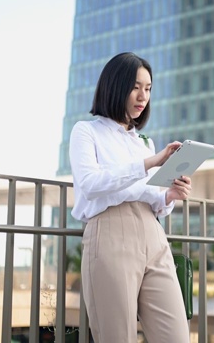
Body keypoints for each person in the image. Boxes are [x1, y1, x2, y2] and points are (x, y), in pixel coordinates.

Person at [69, 52, 192, 343]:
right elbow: (90, 183)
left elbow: (150, 197)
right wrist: (150, 163)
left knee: (176, 337)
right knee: (117, 336)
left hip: (153, 235)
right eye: (136, 87)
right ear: (115, 85)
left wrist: (170, 195)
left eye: (148, 89)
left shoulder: (143, 142)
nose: (143, 96)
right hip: (110, 235)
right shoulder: (86, 132)